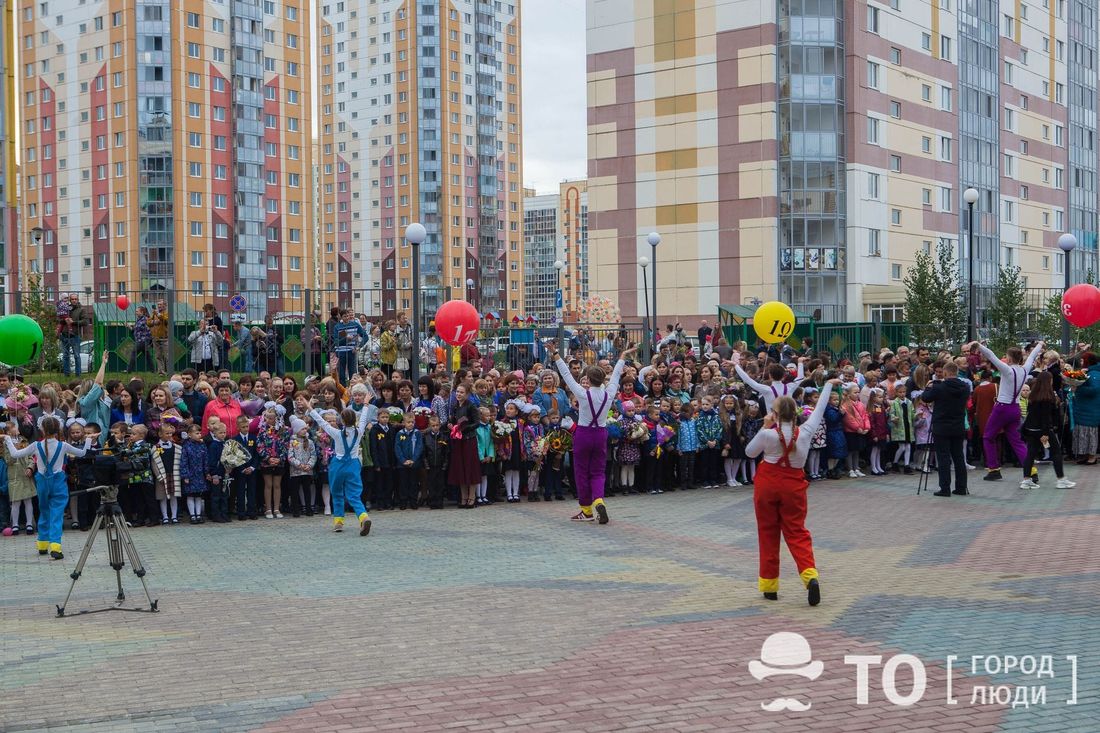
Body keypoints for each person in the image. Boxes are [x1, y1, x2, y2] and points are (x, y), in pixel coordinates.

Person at [745, 379, 838, 606]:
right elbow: (819, 408)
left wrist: (765, 427)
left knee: (767, 532)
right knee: (797, 532)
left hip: (767, 483)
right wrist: (828, 385)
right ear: (795, 412)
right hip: (793, 485)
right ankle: (810, 576)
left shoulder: (768, 434)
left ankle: (769, 586)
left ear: (774, 414)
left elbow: (749, 452)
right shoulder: (805, 431)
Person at [549, 340, 637, 524]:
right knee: (598, 471)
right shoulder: (609, 392)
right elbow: (615, 377)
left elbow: (566, 375)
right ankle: (599, 499)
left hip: (583, 434)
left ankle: (586, 510)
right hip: (601, 434)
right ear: (602, 378)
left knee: (581, 471)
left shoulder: (582, 393)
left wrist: (555, 354)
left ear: (588, 379)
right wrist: (623, 356)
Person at [4, 416, 92, 559]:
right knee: (57, 514)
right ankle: (55, 546)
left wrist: (7, 439)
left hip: (42, 482)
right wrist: (89, 440)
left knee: (44, 511)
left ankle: (42, 544)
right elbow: (82, 453)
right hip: (58, 483)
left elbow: (15, 454)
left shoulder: (35, 445)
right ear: (58, 429)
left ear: (42, 430)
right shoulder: (63, 445)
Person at [971, 340, 1043, 480]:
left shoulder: (1007, 369)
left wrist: (979, 346)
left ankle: (993, 469)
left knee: (988, 437)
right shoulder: (1024, 369)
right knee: (1017, 441)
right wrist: (1040, 345)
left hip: (1002, 408)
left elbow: (991, 356)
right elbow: (1032, 357)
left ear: (1009, 358)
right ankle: (1031, 470)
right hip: (1015, 408)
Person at [309, 401, 373, 535]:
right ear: (353, 420)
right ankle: (363, 516)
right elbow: (363, 420)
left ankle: (338, 521)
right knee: (354, 494)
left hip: (338, 465)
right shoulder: (359, 431)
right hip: (354, 464)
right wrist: (366, 405)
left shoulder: (337, 433)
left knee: (337, 492)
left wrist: (310, 408)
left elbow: (322, 423)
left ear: (342, 421)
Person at [920, 362, 972, 497]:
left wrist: (928, 387)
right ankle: (961, 487)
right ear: (956, 372)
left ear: (945, 372)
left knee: (943, 458)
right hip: (958, 426)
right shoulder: (965, 387)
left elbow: (926, 398)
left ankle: (945, 488)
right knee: (959, 457)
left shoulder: (939, 388)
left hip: (941, 427)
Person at [1020, 371, 1074, 489]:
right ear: (1048, 381)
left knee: (1031, 453)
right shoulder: (1047, 398)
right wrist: (1045, 433)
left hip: (1030, 429)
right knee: (1056, 452)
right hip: (1043, 429)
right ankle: (1061, 479)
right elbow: (1045, 417)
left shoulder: (1033, 395)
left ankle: (1026, 479)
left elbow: (1031, 413)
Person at [58, 293, 88, 377]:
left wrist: (73, 322)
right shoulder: (66, 309)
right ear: (70, 300)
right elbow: (59, 319)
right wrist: (65, 320)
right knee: (65, 356)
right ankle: (66, 374)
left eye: (75, 299)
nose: (74, 300)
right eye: (72, 299)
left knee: (77, 356)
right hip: (64, 335)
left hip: (75, 335)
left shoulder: (81, 309)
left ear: (77, 300)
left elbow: (85, 321)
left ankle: (78, 374)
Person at [127, 306, 156, 373]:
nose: (136, 312)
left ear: (142, 312)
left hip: (143, 341)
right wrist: (129, 326)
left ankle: (129, 370)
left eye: (137, 311)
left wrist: (148, 340)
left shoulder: (145, 319)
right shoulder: (138, 319)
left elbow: (149, 330)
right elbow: (135, 330)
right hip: (140, 340)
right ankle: (153, 370)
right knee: (147, 356)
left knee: (133, 353)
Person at [151, 300, 170, 374]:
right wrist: (153, 322)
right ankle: (161, 371)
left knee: (167, 356)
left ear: (165, 306)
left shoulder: (167, 313)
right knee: (158, 356)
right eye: (158, 304)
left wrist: (158, 314)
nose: (159, 306)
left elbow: (166, 320)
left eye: (160, 304)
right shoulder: (154, 314)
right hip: (155, 337)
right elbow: (148, 321)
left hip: (165, 338)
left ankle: (169, 371)